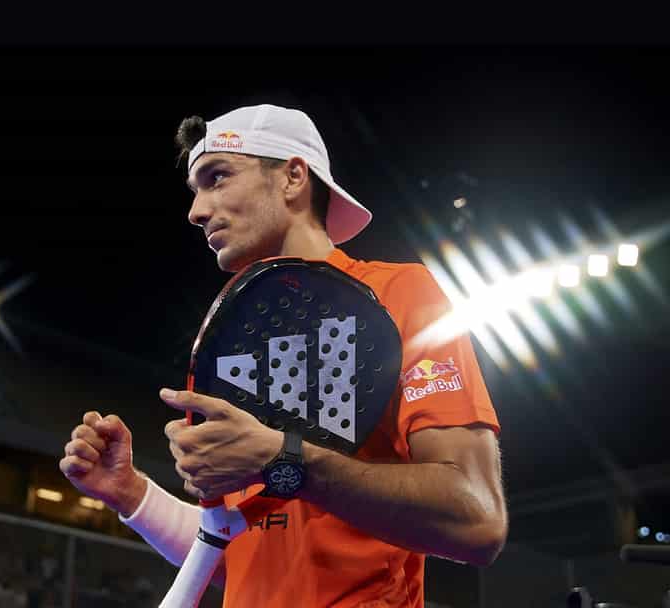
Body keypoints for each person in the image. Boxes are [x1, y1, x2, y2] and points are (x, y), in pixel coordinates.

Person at [59, 104, 508, 606]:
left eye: (218, 177)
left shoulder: (403, 295)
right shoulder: (229, 344)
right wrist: (130, 493)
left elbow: (477, 521)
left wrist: (283, 458)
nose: (196, 211)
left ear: (293, 177)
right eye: (196, 189)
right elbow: (237, 550)